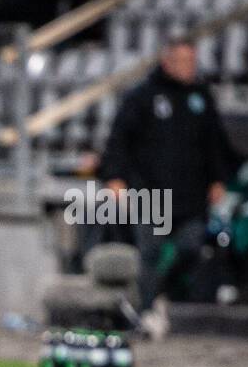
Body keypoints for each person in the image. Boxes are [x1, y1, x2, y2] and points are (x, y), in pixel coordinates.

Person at [99, 37, 232, 340]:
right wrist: (115, 177)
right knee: (150, 252)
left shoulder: (201, 98)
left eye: (192, 62)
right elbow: (119, 139)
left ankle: (160, 295)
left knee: (192, 247)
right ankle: (146, 313)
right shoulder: (142, 97)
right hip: (150, 193)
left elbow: (214, 143)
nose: (189, 68)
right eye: (183, 62)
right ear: (167, 62)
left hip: (191, 196)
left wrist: (218, 178)